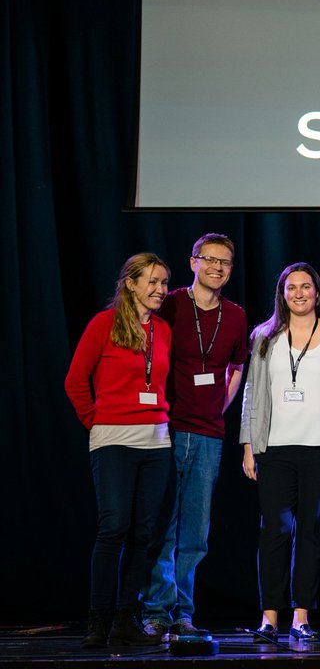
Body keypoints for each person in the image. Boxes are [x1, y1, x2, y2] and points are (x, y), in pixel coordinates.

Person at [142, 234, 248, 639]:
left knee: (195, 532)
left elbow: (237, 368)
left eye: (225, 262)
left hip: (208, 434)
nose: (217, 268)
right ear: (193, 263)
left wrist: (219, 406)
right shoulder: (169, 304)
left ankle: (183, 612)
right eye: (210, 260)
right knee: (163, 526)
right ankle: (155, 611)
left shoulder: (235, 316)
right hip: (164, 429)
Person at [65, 253, 174, 649]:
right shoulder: (103, 324)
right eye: (153, 281)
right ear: (130, 283)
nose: (161, 290)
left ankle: (127, 619)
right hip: (112, 441)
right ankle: (98, 621)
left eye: (164, 282)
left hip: (156, 443)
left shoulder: (162, 330)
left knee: (145, 533)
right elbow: (75, 380)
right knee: (113, 528)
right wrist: (97, 421)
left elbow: (159, 384)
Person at [240, 262, 320, 643]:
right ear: (282, 294)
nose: (299, 294)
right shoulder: (264, 336)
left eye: (306, 287)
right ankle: (269, 616)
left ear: (317, 292)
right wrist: (248, 445)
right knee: (275, 530)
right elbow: (251, 394)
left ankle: (301, 616)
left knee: (312, 534)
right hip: (274, 450)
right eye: (291, 288)